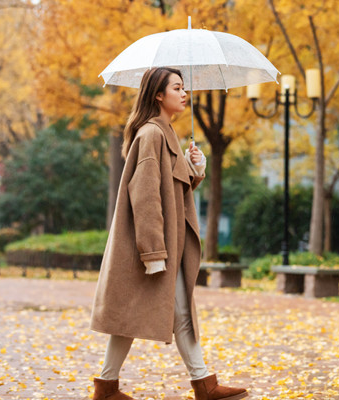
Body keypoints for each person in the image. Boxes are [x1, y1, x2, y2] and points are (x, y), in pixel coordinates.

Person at [89, 67, 248, 400]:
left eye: (184, 87)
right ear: (158, 95)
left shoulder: (165, 134)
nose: (184, 93)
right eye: (177, 87)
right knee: (175, 313)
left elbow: (171, 190)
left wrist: (196, 170)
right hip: (154, 248)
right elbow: (145, 196)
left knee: (145, 315)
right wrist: (153, 253)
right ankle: (203, 383)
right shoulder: (152, 135)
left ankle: (107, 386)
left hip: (164, 245)